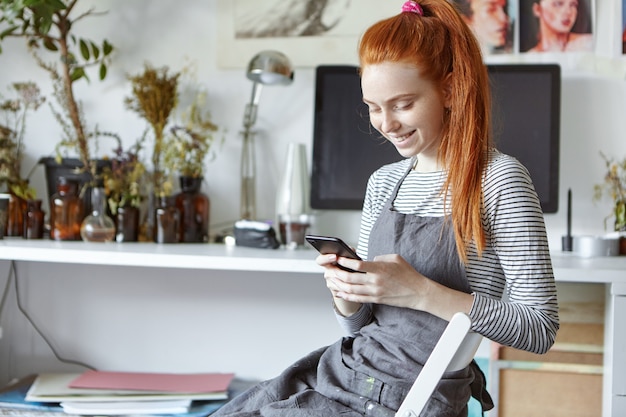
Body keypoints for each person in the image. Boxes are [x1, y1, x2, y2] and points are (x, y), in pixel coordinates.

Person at [214, 1, 559, 416]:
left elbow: (539, 327)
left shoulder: (498, 180)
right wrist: (346, 293)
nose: (386, 124)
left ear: (449, 89)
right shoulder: (384, 183)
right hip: (341, 371)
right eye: (374, 108)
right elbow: (360, 327)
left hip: (407, 397)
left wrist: (421, 292)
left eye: (403, 104)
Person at [526, 0, 593, 52]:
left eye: (573, 4)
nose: (568, 12)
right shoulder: (529, 57)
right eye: (558, 4)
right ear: (537, 9)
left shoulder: (587, 44)